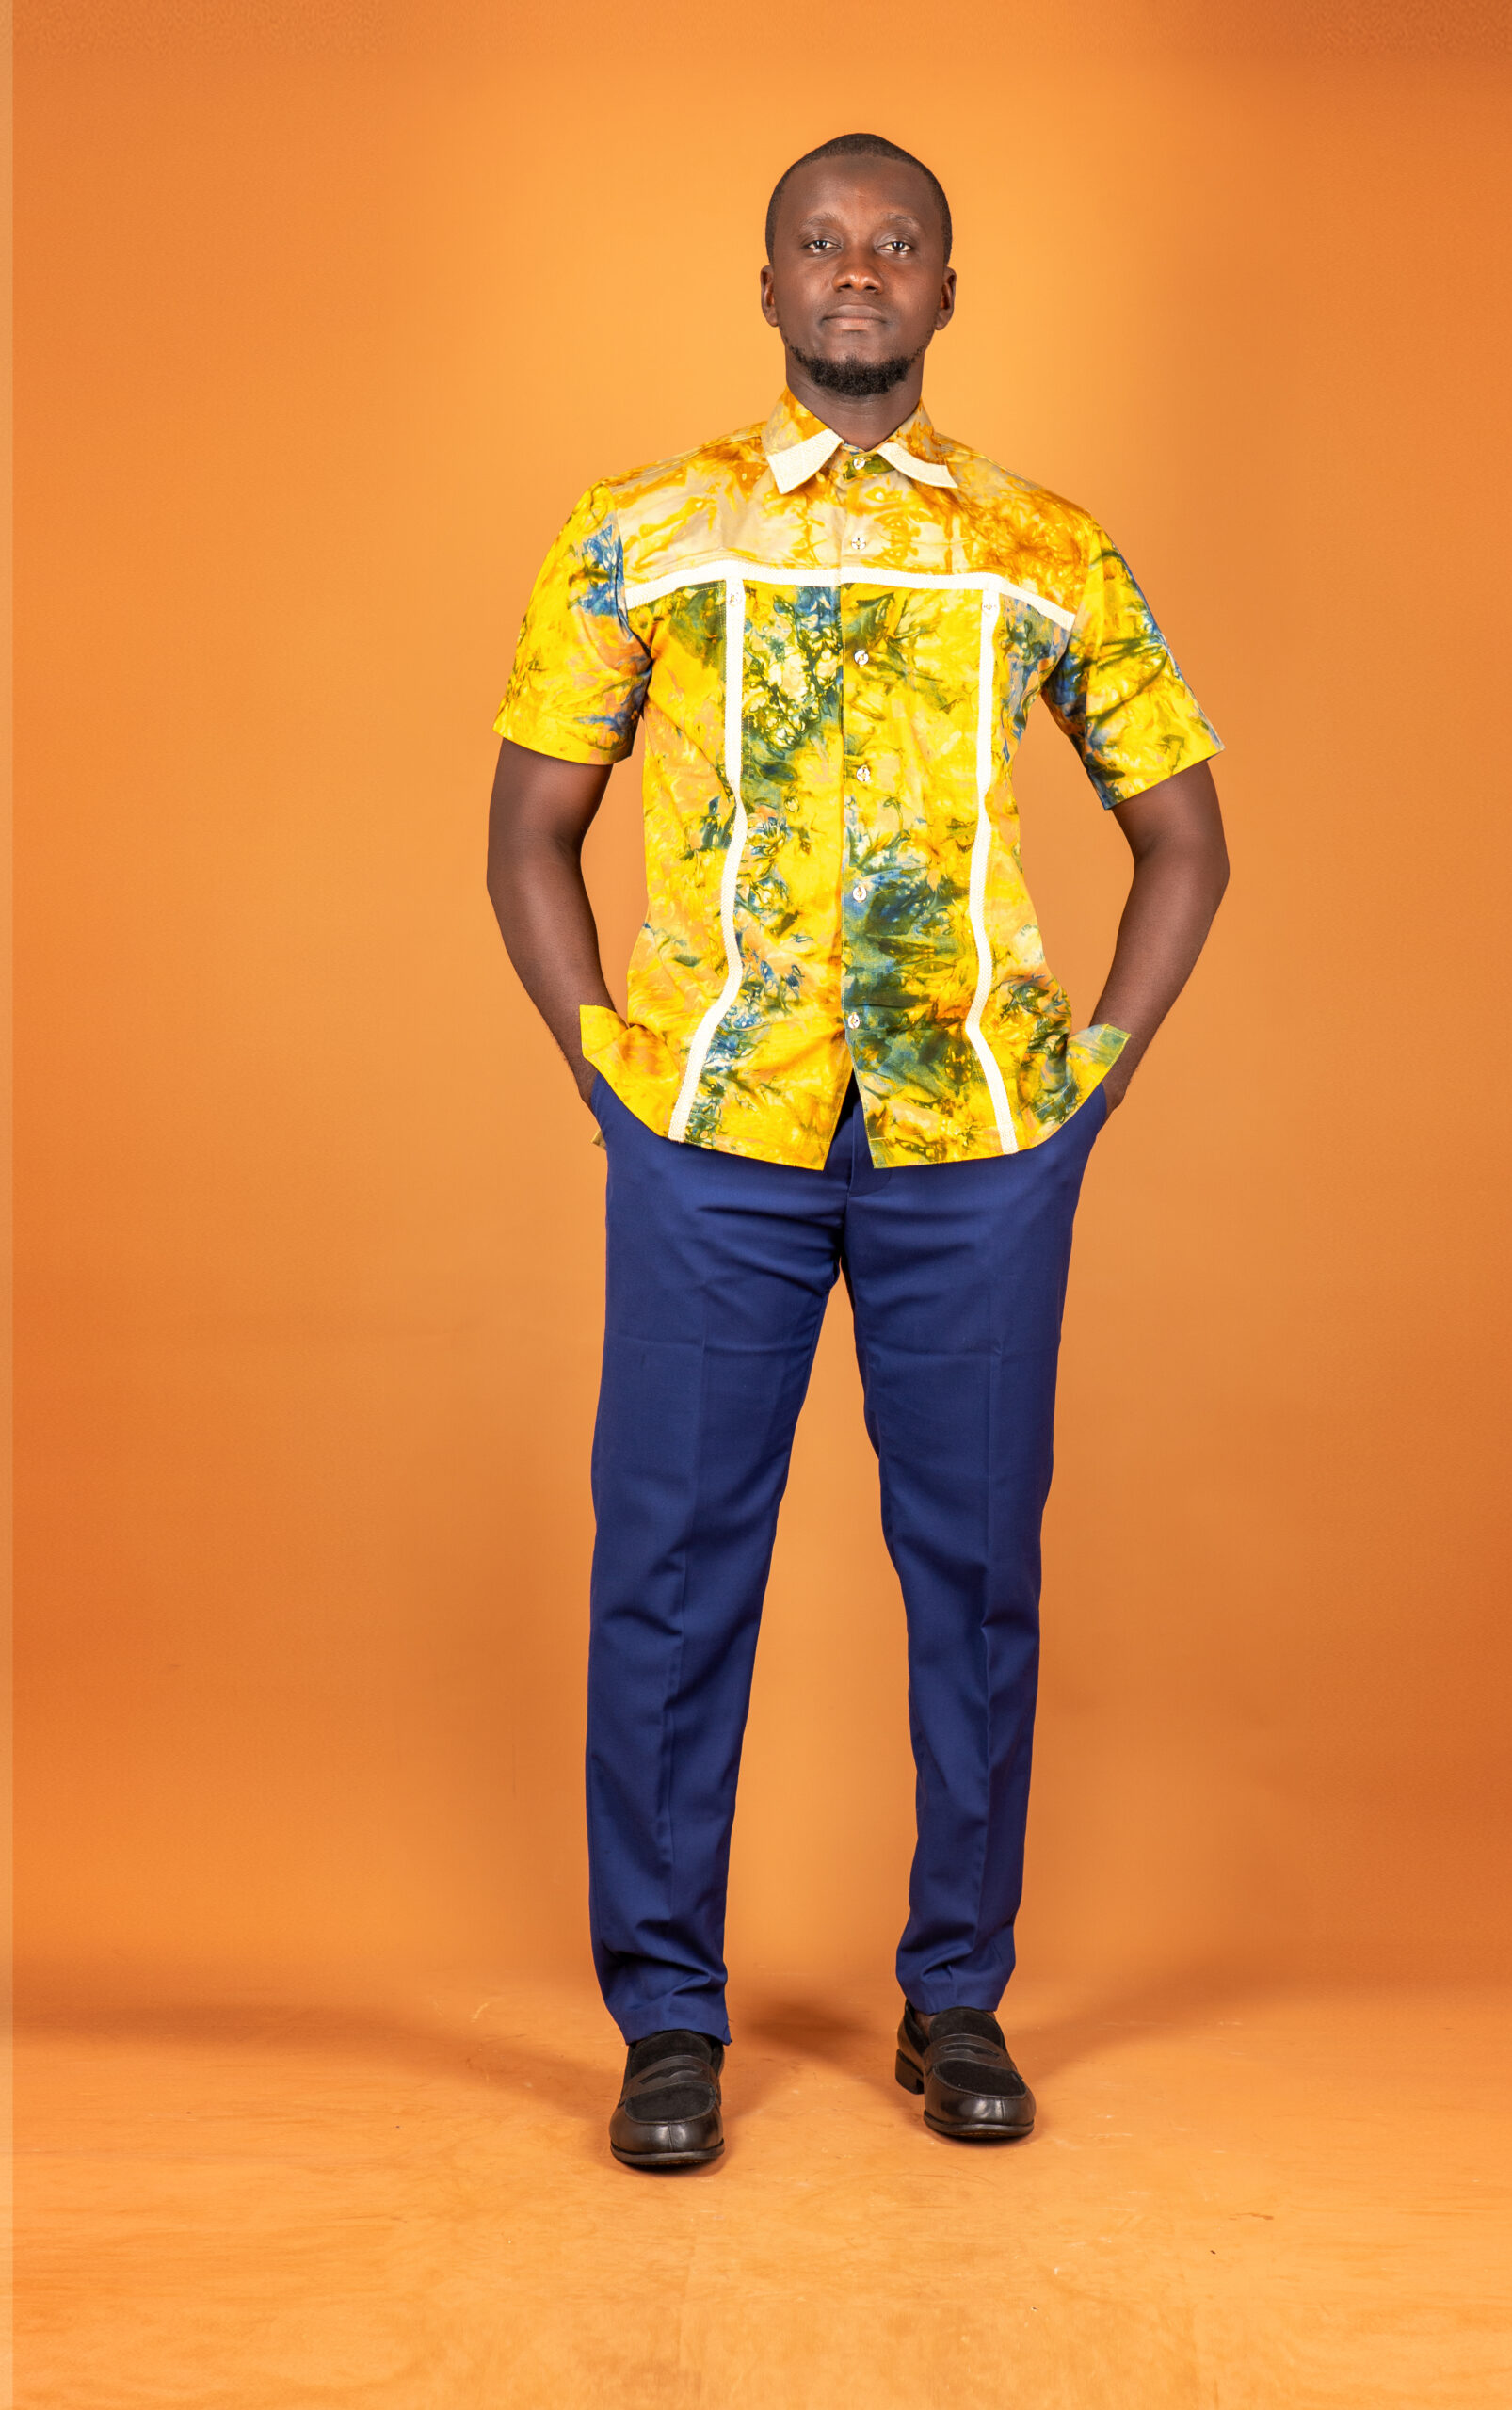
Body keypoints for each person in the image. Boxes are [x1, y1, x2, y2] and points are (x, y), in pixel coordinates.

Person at [486, 131, 1228, 2171]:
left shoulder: (1044, 546)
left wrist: (1086, 1084)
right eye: (820, 241)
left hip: (974, 1144)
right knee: (667, 1570)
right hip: (709, 1135)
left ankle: (956, 1994)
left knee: (977, 1575)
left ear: (946, 292)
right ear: (767, 283)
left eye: (896, 244)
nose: (857, 269)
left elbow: (1184, 839)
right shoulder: (644, 528)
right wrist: (611, 1070)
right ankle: (667, 2021)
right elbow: (527, 828)